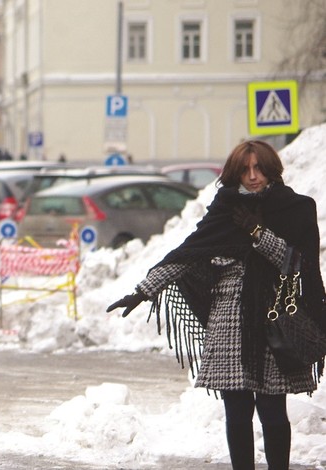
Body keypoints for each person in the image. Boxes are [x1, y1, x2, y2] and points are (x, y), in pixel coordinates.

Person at [106, 140, 326, 470]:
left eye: (259, 168)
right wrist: (143, 291)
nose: (253, 176)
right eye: (245, 169)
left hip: (271, 319)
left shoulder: (295, 207)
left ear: (271, 170)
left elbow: (296, 263)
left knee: (272, 412)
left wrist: (257, 233)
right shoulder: (225, 207)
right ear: (235, 173)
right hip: (228, 322)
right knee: (236, 412)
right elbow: (190, 252)